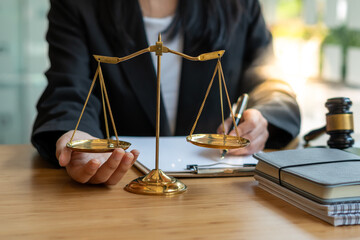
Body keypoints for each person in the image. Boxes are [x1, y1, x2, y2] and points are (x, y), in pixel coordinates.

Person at [32, 0, 301, 185]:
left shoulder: (238, 5)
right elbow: (69, 86)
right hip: (120, 185)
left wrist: (261, 118)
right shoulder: (79, 5)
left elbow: (270, 79)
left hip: (216, 186)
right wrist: (75, 136)